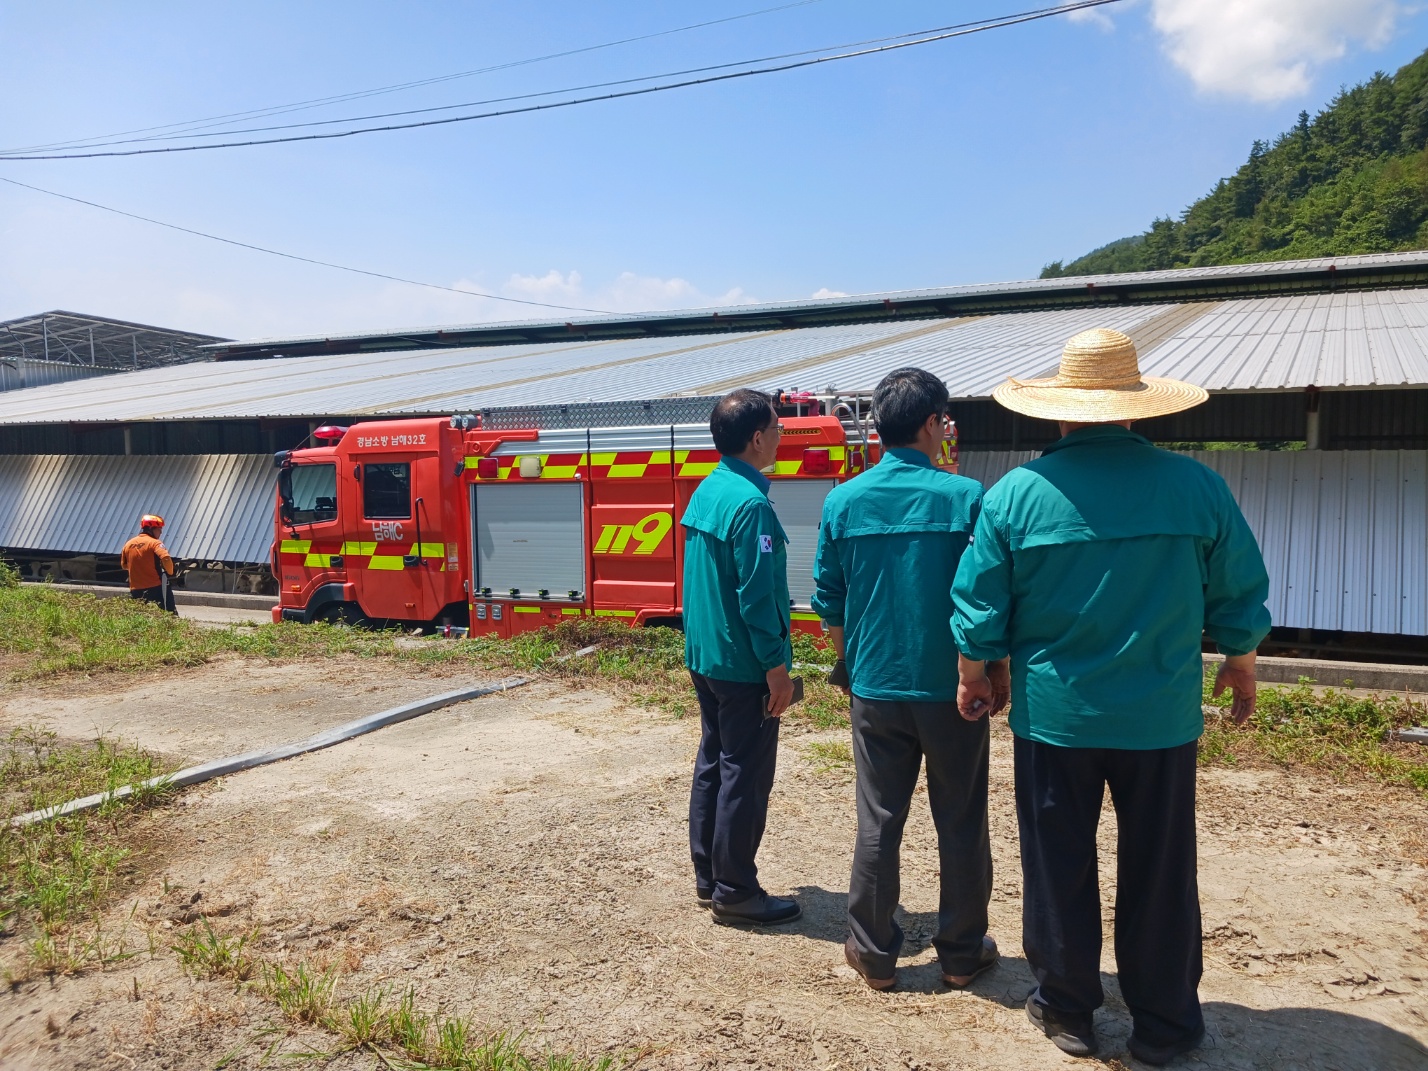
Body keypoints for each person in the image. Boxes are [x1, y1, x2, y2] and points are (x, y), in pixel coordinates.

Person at [951, 328, 1270, 1065]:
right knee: (1160, 865)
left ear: (1058, 413)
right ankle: (1164, 1023)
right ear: (1137, 410)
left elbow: (978, 605)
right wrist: (1241, 662)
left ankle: (1067, 1008)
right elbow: (1239, 588)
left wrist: (977, 676)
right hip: (1159, 720)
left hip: (1056, 718)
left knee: (1058, 860)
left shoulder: (1018, 495)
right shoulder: (1197, 487)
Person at [811, 367, 1005, 992]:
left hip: (876, 688)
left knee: (879, 818)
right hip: (956, 690)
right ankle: (960, 954)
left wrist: (853, 665)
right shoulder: (966, 497)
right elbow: (988, 599)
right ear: (929, 424)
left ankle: (872, 953)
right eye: (945, 419)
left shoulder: (842, 500)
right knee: (961, 819)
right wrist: (993, 672)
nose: (948, 429)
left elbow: (829, 600)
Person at [682, 388, 799, 926]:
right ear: (757, 438)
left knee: (715, 765)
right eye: (777, 427)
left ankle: (710, 877)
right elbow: (756, 595)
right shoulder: (750, 504)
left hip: (708, 657)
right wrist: (776, 667)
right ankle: (735, 889)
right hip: (744, 664)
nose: (781, 434)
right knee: (744, 775)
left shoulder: (710, 489)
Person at [121, 514, 177, 613]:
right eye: (159, 529)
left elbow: (124, 565)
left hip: (136, 588)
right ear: (151, 528)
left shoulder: (128, 544)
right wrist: (170, 572)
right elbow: (166, 558)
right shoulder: (155, 543)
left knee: (140, 615)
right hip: (156, 586)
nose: (161, 532)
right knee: (169, 613)